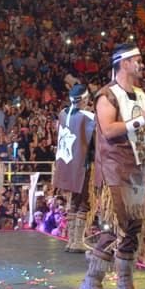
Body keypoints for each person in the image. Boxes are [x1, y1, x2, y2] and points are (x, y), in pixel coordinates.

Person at [78, 42, 145, 289]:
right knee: (115, 227)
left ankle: (125, 283)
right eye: (137, 59)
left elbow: (143, 134)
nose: (141, 63)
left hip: (136, 167)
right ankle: (90, 284)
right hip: (113, 169)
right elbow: (108, 129)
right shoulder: (107, 95)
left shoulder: (140, 95)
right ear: (124, 63)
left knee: (134, 229)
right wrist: (141, 121)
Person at [52, 82, 94, 253]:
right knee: (83, 202)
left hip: (66, 164)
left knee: (73, 202)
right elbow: (96, 139)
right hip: (80, 165)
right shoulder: (87, 116)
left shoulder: (62, 113)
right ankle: (77, 241)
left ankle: (71, 240)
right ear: (84, 99)